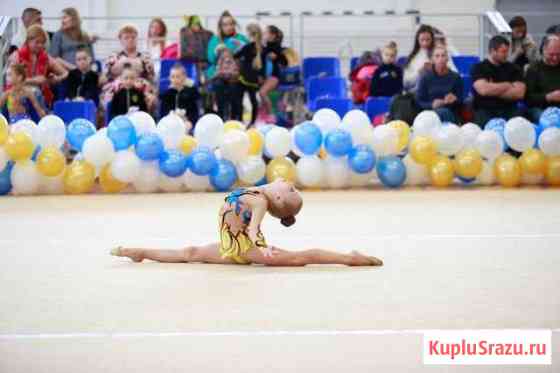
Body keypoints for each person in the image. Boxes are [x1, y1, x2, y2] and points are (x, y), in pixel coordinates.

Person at [111, 179, 383, 266]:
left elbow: (253, 227)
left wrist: (260, 247)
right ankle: (139, 252)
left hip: (245, 247)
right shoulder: (258, 190)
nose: (290, 183)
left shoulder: (261, 201)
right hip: (232, 246)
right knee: (190, 252)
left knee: (300, 257)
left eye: (291, 189)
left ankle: (350, 258)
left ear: (277, 196)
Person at [471, 35, 526, 127]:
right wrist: (507, 85)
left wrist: (492, 88)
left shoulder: (514, 69)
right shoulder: (479, 68)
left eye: (507, 51)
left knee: (518, 122)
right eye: (503, 52)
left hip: (509, 109)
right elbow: (483, 90)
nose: (506, 55)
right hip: (485, 109)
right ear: (493, 51)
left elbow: (519, 93)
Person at [9, 25, 68, 108]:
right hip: (17, 95)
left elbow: (65, 73)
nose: (40, 45)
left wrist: (56, 79)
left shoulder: (46, 58)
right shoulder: (16, 56)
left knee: (38, 93)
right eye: (37, 42)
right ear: (28, 41)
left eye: (42, 43)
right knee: (35, 92)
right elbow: (11, 81)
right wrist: (34, 81)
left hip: (40, 97)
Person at [102, 25, 156, 111]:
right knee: (107, 95)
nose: (130, 40)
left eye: (133, 37)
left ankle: (144, 116)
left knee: (150, 96)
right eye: (126, 38)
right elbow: (105, 75)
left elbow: (151, 76)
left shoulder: (145, 56)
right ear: (121, 40)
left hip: (140, 84)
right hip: (119, 85)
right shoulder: (114, 56)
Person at [416, 45, 463, 123]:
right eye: (437, 56)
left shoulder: (456, 77)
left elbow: (461, 101)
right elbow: (419, 101)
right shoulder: (425, 77)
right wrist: (431, 105)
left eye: (443, 56)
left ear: (447, 59)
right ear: (432, 59)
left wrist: (455, 100)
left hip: (449, 112)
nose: (440, 59)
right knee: (438, 114)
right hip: (429, 114)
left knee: (443, 112)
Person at [403, 25, 455, 93]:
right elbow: (406, 83)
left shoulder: (441, 53)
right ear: (417, 40)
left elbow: (455, 74)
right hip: (418, 93)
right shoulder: (413, 57)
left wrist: (441, 69)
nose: (425, 43)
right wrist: (419, 73)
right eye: (422, 40)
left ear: (432, 39)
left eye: (428, 40)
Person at [235, 23, 265, 124]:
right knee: (253, 101)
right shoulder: (262, 48)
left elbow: (236, 56)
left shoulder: (247, 47)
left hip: (244, 77)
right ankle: (252, 123)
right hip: (255, 79)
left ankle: (240, 120)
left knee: (239, 99)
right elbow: (263, 65)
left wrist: (238, 46)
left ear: (249, 34)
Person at [525, 35, 560, 122]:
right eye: (551, 54)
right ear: (544, 50)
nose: (555, 58)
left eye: (558, 54)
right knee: (550, 120)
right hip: (541, 108)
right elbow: (528, 98)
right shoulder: (533, 69)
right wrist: (548, 97)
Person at [49, 8, 96, 72]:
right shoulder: (58, 35)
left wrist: (88, 71)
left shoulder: (84, 35)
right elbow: (54, 57)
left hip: (86, 72)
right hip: (67, 73)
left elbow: (91, 57)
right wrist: (74, 69)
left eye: (64, 18)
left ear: (74, 19)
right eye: (61, 18)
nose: (62, 21)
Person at [258, 25, 288, 123]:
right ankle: (265, 114)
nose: (263, 34)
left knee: (262, 92)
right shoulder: (264, 47)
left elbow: (285, 62)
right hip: (265, 76)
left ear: (273, 35)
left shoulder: (276, 47)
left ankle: (271, 114)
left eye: (266, 33)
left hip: (274, 77)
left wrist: (277, 57)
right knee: (260, 95)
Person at [206, 11, 249, 81]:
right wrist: (216, 51)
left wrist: (238, 51)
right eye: (225, 25)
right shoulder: (215, 39)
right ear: (220, 26)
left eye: (231, 24)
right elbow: (210, 59)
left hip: (236, 74)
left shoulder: (241, 38)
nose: (229, 27)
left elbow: (249, 57)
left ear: (234, 24)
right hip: (217, 73)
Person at [159, 63, 200, 128]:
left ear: (184, 77)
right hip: (170, 124)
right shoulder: (167, 94)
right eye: (172, 77)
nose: (175, 80)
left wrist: (190, 122)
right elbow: (162, 113)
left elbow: (195, 113)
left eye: (177, 77)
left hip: (186, 123)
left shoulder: (191, 93)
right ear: (169, 78)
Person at [213, 47, 243, 121]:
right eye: (223, 54)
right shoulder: (220, 62)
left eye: (227, 54)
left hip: (232, 82)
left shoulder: (235, 62)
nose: (226, 56)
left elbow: (237, 73)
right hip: (222, 81)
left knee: (234, 89)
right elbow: (217, 73)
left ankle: (234, 117)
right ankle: (221, 115)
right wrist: (223, 74)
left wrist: (229, 74)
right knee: (218, 86)